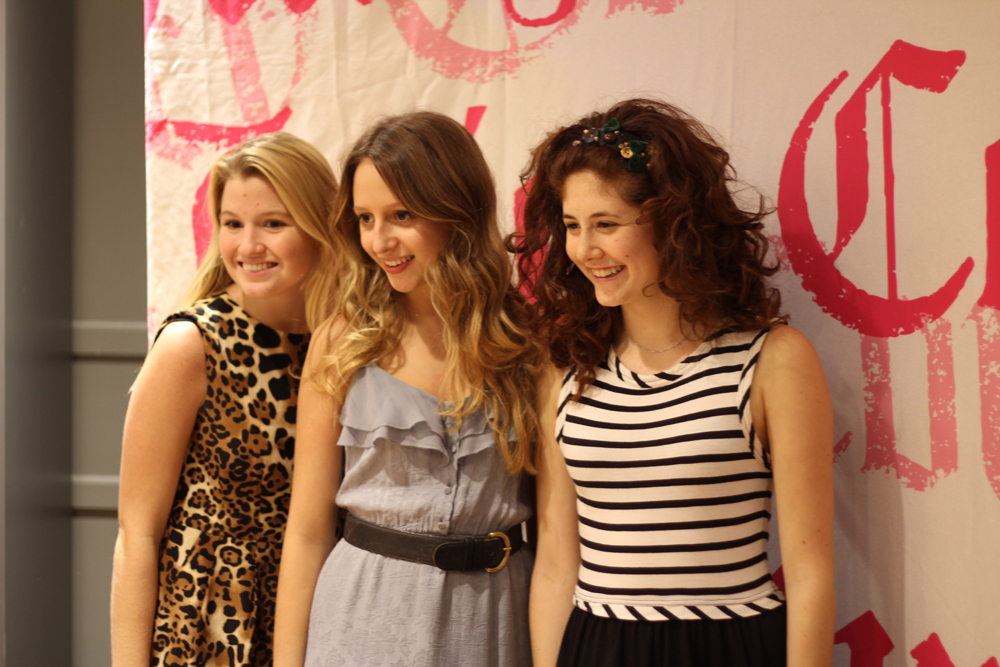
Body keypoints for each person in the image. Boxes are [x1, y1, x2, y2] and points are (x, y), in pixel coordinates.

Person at [511, 99, 835, 667]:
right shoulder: (564, 368)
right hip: (596, 646)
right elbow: (557, 565)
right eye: (572, 226)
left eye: (606, 224)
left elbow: (811, 576)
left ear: (674, 222)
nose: (584, 249)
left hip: (728, 645)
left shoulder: (773, 360)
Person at [273, 110, 545, 667]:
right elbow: (306, 532)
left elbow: (558, 537)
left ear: (457, 210)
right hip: (361, 623)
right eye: (365, 219)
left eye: (401, 215)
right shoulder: (342, 342)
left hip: (493, 624)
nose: (379, 240)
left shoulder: (527, 343)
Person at [111, 132, 338, 667]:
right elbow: (137, 534)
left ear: (321, 226)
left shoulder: (348, 339)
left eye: (273, 224)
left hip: (320, 616)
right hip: (209, 630)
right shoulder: (191, 344)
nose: (247, 246)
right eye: (232, 224)